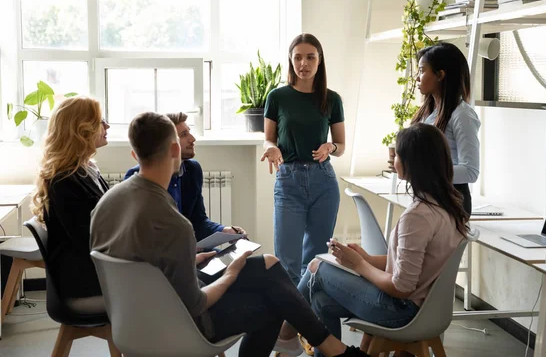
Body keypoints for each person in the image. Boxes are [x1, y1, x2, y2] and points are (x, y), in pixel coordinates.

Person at [90, 112, 368, 357]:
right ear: (175, 149)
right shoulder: (173, 223)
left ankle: (331, 347)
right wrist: (231, 274)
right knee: (271, 302)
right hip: (174, 326)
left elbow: (143, 264)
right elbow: (197, 303)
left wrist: (191, 259)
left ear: (134, 155)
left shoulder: (105, 204)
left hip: (131, 323)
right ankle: (332, 349)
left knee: (268, 265)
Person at [284, 124, 469, 357]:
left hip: (403, 312)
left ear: (414, 163)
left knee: (317, 267)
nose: (393, 158)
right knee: (320, 300)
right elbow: (413, 265)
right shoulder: (447, 206)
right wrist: (368, 259)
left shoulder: (418, 216)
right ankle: (289, 335)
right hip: (423, 310)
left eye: (398, 154)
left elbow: (402, 287)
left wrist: (359, 265)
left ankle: (285, 334)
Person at [262, 33, 345, 285]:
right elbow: (269, 139)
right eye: (298, 57)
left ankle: (307, 320)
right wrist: (272, 149)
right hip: (289, 181)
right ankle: (289, 322)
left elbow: (341, 146)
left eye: (310, 57)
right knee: (286, 262)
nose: (304, 64)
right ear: (291, 60)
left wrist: (330, 146)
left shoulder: (332, 99)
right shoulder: (277, 97)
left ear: (319, 61)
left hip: (324, 182)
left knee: (315, 261)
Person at [31, 96, 110, 310]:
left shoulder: (86, 169)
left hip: (95, 271)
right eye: (101, 121)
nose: (107, 126)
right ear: (81, 129)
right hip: (85, 283)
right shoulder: (64, 180)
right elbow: (92, 240)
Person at [124, 112, 245, 241]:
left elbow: (198, 221)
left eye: (189, 132)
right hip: (168, 257)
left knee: (265, 259)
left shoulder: (193, 170)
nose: (192, 139)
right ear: (169, 144)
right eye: (183, 135)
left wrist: (224, 231)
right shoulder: (138, 177)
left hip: (191, 251)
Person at [411, 42, 481, 215]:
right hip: (429, 198)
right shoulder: (429, 112)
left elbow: (470, 171)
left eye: (421, 70)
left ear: (440, 75)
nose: (417, 78)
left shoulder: (462, 115)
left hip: (451, 202)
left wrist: (424, 171)